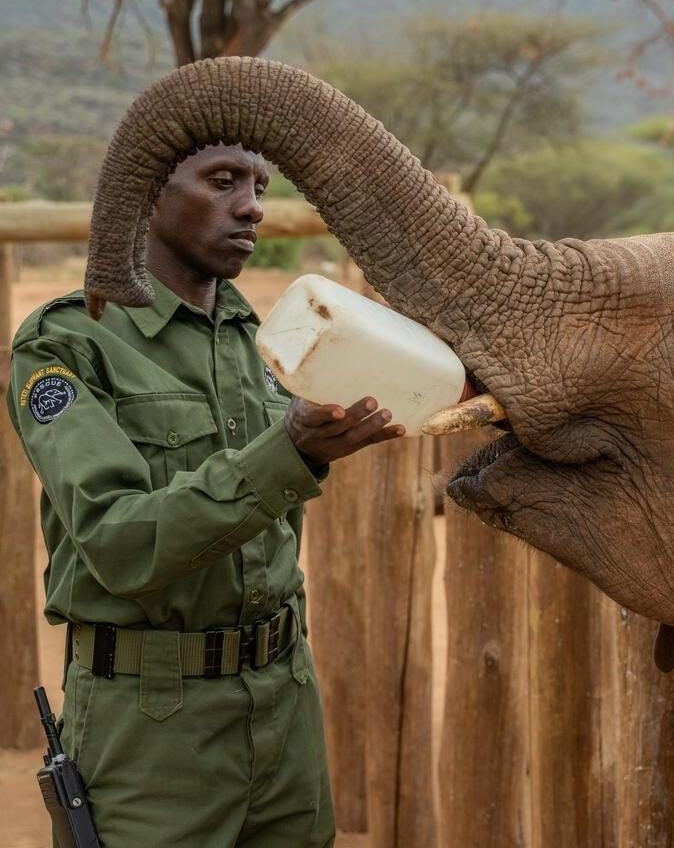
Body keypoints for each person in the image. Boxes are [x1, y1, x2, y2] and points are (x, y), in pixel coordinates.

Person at [6, 143, 406, 847]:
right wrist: (287, 453)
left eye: (258, 185)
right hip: (152, 731)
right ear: (147, 193)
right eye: (222, 182)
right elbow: (118, 541)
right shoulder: (69, 342)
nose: (251, 206)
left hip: (285, 707)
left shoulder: (267, 340)